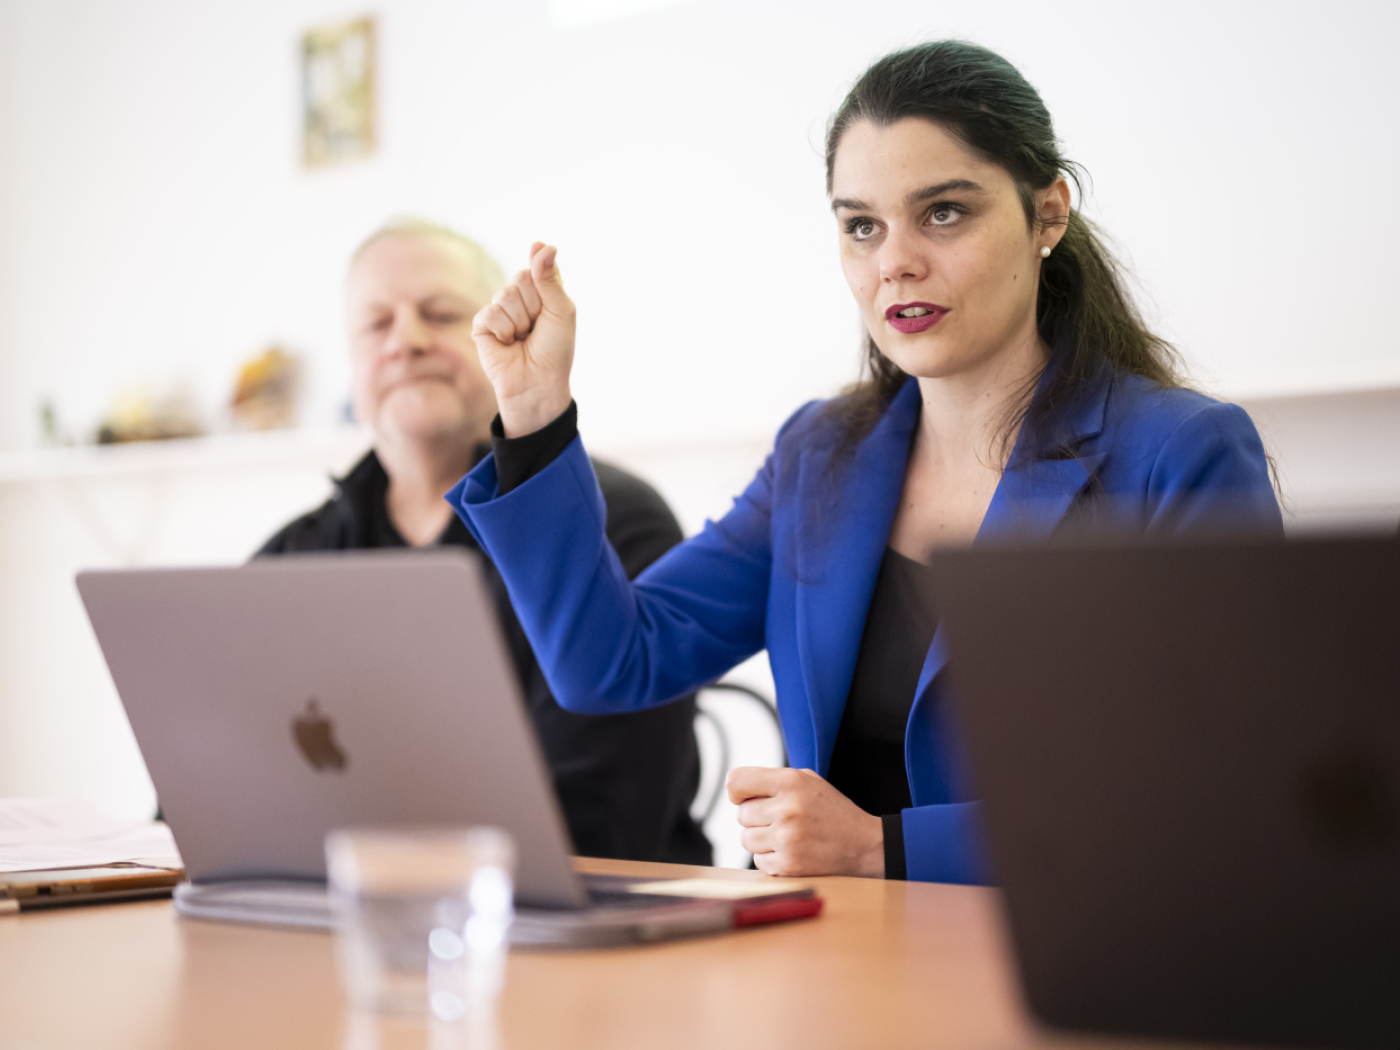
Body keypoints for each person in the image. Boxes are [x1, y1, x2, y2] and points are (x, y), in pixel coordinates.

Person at [447, 42, 1283, 884]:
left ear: (1048, 216)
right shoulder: (820, 455)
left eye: (945, 212)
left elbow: (1215, 796)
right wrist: (534, 412)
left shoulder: (1181, 454)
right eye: (862, 226)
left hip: (1073, 968)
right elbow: (612, 662)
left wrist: (882, 848)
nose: (895, 262)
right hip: (831, 961)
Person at [258, 218, 711, 866]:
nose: (406, 342)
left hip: (588, 929)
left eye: (441, 315)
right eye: (376, 324)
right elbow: (203, 796)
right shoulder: (291, 558)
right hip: (331, 913)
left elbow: (601, 824)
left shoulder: (613, 521)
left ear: (506, 331)